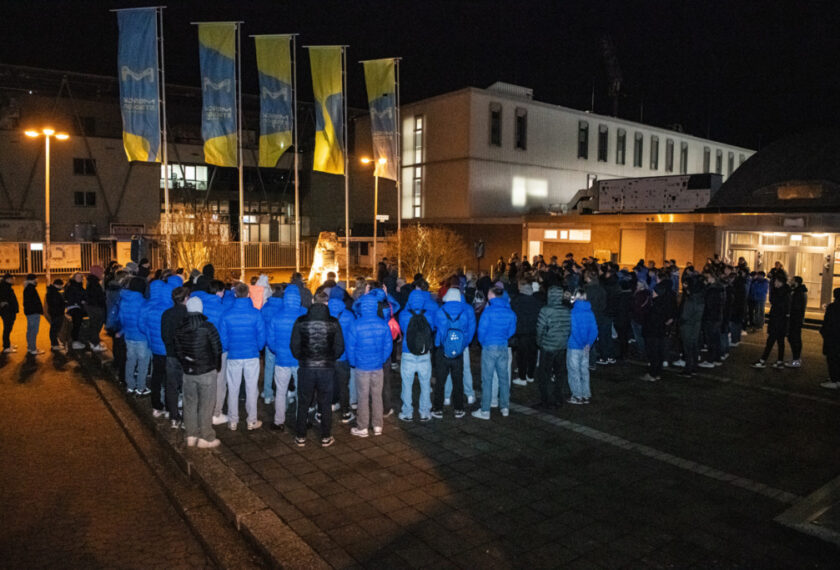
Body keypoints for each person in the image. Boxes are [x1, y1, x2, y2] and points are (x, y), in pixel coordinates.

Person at [289, 290, 344, 447]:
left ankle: (301, 436)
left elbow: (294, 345)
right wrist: (330, 358)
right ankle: (325, 436)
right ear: (327, 303)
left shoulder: (301, 321)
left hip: (306, 367)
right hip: (326, 368)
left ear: (313, 302)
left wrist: (303, 357)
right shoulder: (333, 322)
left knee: (304, 401)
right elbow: (340, 346)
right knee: (325, 403)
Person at [175, 296, 223, 448]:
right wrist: (217, 365)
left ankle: (191, 434)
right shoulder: (208, 327)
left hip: (189, 372)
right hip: (206, 370)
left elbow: (178, 350)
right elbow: (217, 348)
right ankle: (206, 436)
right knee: (206, 404)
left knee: (190, 403)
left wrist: (186, 363)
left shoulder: (180, 328)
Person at [219, 282, 266, 431]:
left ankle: (233, 420)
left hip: (234, 355)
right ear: (248, 294)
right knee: (252, 388)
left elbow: (223, 338)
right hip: (251, 354)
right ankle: (251, 420)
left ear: (235, 294)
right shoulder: (255, 313)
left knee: (233, 388)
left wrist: (228, 347)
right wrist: (258, 348)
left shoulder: (226, 314)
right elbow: (261, 335)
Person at [346, 291, 393, 437]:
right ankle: (378, 425)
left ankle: (363, 427)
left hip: (362, 366)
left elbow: (350, 346)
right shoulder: (383, 324)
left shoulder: (355, 324)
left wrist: (354, 362)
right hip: (377, 366)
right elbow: (388, 346)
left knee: (363, 396)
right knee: (377, 395)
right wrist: (381, 359)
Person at [266, 284, 307, 432]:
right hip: (299, 360)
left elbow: (270, 339)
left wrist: (277, 351)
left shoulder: (277, 316)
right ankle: (300, 419)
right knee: (301, 391)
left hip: (282, 360)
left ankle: (279, 421)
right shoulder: (304, 315)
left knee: (281, 391)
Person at [473, 286, 517, 420]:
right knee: (504, 378)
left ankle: (485, 410)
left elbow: (481, 331)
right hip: (503, 346)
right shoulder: (510, 312)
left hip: (489, 347)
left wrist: (484, 342)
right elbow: (512, 331)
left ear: (492, 296)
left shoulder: (488, 312)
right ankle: (505, 407)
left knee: (487, 379)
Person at [431, 288, 475, 419]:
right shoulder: (465, 312)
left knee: (440, 380)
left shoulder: (440, 311)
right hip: (458, 352)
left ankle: (438, 409)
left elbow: (435, 327)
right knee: (458, 380)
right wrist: (463, 345)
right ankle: (459, 409)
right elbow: (468, 332)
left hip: (442, 350)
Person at [191, 279, 228, 425]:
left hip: (202, 349)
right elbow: (225, 333)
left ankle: (203, 409)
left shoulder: (201, 307)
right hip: (219, 350)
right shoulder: (223, 309)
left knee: (205, 380)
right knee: (219, 381)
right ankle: (216, 413)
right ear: (220, 292)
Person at [139, 279, 175, 420]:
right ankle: (168, 406)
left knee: (156, 377)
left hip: (155, 348)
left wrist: (151, 339)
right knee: (169, 379)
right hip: (168, 350)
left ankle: (156, 405)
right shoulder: (170, 311)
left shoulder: (152, 309)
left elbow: (143, 326)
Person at [398, 289, 436, 422]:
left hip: (408, 353)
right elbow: (432, 329)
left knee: (406, 384)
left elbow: (403, 329)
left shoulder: (403, 315)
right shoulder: (429, 315)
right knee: (425, 384)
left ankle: (407, 412)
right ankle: (425, 412)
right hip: (424, 354)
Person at [534, 286, 571, 409]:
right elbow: (569, 328)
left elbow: (540, 329)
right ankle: (558, 398)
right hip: (561, 346)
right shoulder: (566, 310)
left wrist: (539, 342)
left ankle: (546, 400)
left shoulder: (546, 310)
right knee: (559, 373)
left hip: (548, 345)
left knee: (545, 374)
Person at [161, 286, 189, 428]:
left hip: (171, 354)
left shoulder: (166, 314)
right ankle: (185, 418)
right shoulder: (189, 315)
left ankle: (173, 417)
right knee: (186, 387)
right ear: (185, 299)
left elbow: (164, 335)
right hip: (186, 356)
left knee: (171, 387)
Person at [118, 276, 151, 396]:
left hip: (128, 335)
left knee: (130, 360)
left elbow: (121, 318)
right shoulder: (144, 302)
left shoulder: (124, 300)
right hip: (142, 337)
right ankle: (141, 387)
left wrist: (124, 330)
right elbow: (145, 321)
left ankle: (130, 385)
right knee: (143, 363)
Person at [328, 286, 356, 424]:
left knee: (329, 383)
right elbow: (352, 339)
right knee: (344, 385)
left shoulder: (325, 313)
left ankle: (331, 404)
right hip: (344, 356)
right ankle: (345, 412)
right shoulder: (349, 315)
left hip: (328, 356)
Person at [752, 273, 790, 369]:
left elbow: (776, 303)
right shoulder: (786, 292)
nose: (774, 283)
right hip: (781, 321)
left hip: (777, 321)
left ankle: (763, 360)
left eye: (776, 281)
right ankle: (779, 361)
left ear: (780, 282)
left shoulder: (781, 293)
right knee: (780, 342)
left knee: (771, 342)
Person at [566, 289, 598, 404]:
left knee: (574, 371)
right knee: (584, 370)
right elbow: (594, 330)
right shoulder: (590, 312)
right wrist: (588, 343)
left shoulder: (573, 312)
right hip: (586, 347)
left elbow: (573, 330)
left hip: (574, 345)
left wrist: (580, 343)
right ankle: (586, 394)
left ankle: (577, 395)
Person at [510, 281, 542, 386]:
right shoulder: (537, 302)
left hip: (521, 332)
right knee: (532, 355)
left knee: (521, 356)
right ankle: (530, 375)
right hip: (534, 332)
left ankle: (522, 377)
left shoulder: (516, 301)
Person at [642, 281, 673, 382]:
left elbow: (650, 319)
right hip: (660, 332)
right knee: (658, 353)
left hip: (652, 332)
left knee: (653, 353)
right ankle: (657, 372)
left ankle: (653, 373)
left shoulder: (655, 304)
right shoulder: (664, 303)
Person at [260, 283, 284, 405]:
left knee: (269, 368)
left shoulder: (265, 306)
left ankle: (267, 394)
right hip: (281, 343)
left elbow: (262, 325)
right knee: (282, 370)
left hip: (269, 343)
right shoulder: (284, 307)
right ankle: (282, 393)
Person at [678, 275, 705, 377]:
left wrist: (681, 322)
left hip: (688, 326)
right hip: (696, 325)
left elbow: (685, 315)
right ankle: (694, 367)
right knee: (694, 346)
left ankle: (688, 369)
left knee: (688, 347)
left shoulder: (691, 300)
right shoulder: (700, 298)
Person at [819, 288, 840, 390]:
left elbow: (828, 322)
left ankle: (834, 379)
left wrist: (823, 332)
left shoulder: (833, 307)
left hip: (832, 337)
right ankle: (837, 379)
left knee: (832, 359)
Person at [786, 276, 807, 368]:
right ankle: (796, 358)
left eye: (792, 280)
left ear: (796, 282)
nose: (790, 282)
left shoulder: (798, 293)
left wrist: (789, 314)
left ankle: (796, 359)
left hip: (795, 320)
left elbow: (796, 307)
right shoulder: (798, 291)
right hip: (796, 319)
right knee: (794, 338)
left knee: (794, 339)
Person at [85, 265, 107, 352]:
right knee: (95, 325)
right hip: (96, 307)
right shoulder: (94, 283)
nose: (102, 274)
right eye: (101, 272)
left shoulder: (92, 281)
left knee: (95, 325)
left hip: (93, 307)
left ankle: (93, 342)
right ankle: (95, 344)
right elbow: (97, 296)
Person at [64, 272, 87, 350]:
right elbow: (71, 298)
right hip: (73, 307)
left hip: (79, 306)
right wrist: (81, 302)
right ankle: (75, 341)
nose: (80, 278)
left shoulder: (80, 286)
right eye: (77, 277)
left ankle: (86, 338)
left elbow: (84, 296)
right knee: (77, 318)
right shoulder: (71, 286)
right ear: (74, 278)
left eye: (81, 277)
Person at [22, 273, 43, 355]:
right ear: (33, 279)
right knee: (34, 331)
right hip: (33, 312)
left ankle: (30, 347)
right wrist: (39, 310)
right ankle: (33, 349)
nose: (37, 280)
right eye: (36, 279)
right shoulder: (31, 289)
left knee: (30, 330)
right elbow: (34, 302)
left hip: (30, 312)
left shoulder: (28, 288)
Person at [46, 278, 66, 352]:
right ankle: (54, 345)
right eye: (61, 286)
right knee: (55, 329)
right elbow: (57, 304)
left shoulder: (51, 291)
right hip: (57, 313)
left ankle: (55, 343)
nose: (61, 287)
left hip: (55, 313)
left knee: (54, 329)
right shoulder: (54, 293)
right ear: (57, 285)